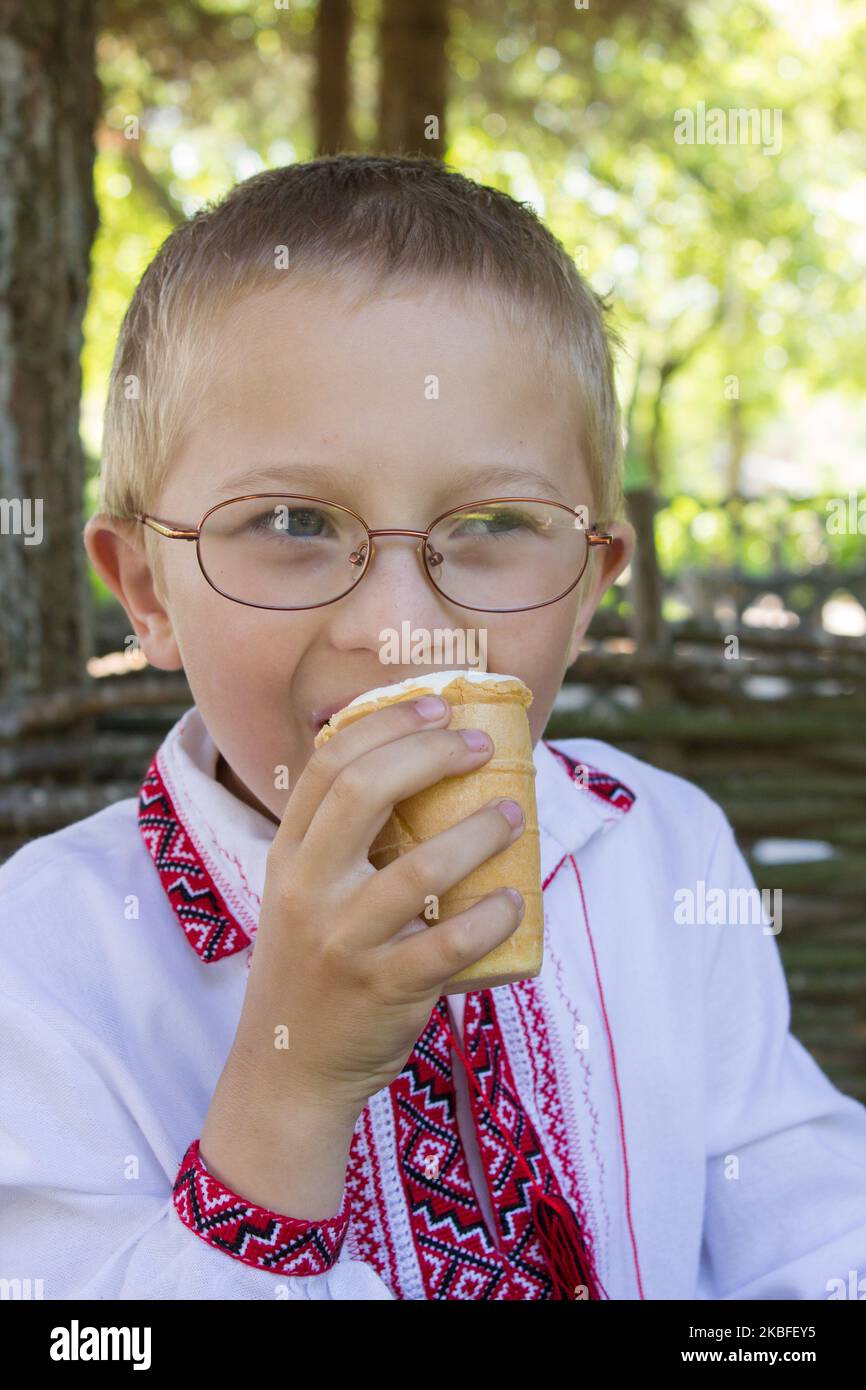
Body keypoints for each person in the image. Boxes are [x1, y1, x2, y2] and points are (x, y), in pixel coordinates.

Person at [1, 155, 864, 1301]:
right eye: (293, 521)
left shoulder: (660, 847)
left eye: (493, 522)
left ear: (592, 580)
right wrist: (291, 1087)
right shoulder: (45, 958)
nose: (398, 629)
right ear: (147, 589)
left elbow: (802, 1230)